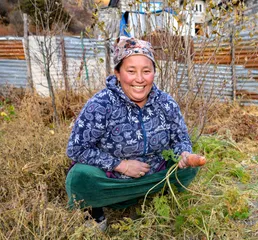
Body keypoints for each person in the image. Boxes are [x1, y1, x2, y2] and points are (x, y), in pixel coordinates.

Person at [65, 36, 200, 230]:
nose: (139, 79)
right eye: (131, 71)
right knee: (80, 175)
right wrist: (121, 165)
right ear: (118, 73)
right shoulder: (100, 105)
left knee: (189, 166)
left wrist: (184, 155)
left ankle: (154, 199)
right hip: (112, 181)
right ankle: (95, 213)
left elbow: (180, 139)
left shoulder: (166, 103)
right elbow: (76, 149)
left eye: (146, 71)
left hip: (155, 176)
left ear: (154, 73)